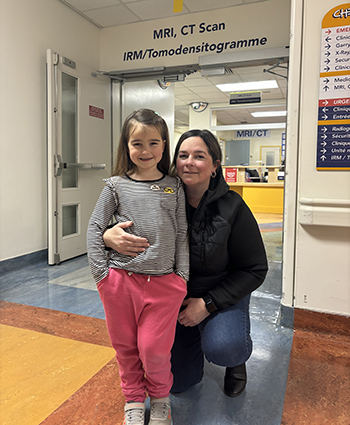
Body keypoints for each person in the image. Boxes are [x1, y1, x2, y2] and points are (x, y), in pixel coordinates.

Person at [103, 129, 268, 400]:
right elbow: (122, 218)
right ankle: (196, 340)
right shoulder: (160, 196)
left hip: (219, 292)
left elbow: (254, 269)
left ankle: (235, 359)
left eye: (199, 156)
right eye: (183, 155)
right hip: (172, 298)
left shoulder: (233, 207)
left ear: (215, 165)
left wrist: (208, 304)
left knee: (224, 346)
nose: (189, 162)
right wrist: (108, 234)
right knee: (178, 383)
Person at [87, 109, 189, 425]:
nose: (145, 151)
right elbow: (95, 228)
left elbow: (182, 234)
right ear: (126, 146)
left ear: (164, 145)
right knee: (126, 348)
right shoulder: (114, 186)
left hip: (164, 285)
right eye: (137, 143)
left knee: (154, 349)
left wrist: (181, 278)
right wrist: (101, 276)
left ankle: (160, 399)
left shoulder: (174, 186)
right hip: (119, 283)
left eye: (153, 143)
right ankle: (133, 399)